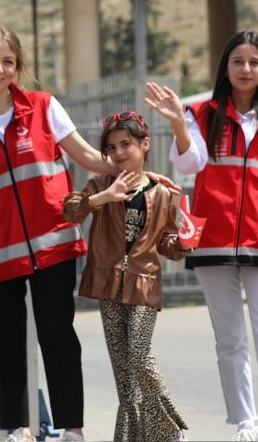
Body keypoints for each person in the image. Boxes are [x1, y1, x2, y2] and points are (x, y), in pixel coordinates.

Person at [0, 25, 116, 442]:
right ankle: (17, 428)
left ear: (18, 67)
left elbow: (87, 155)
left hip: (53, 245)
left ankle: (72, 428)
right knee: (7, 343)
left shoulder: (44, 107)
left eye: (8, 62)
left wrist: (124, 170)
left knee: (58, 337)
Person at [145, 29, 258, 442]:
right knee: (230, 339)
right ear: (226, 67)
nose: (246, 69)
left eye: (254, 62)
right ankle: (245, 423)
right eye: (238, 61)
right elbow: (187, 164)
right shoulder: (201, 113)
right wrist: (180, 125)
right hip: (212, 240)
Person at [63, 110, 190, 442]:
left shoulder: (162, 193)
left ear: (144, 144)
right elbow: (71, 210)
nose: (119, 153)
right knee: (123, 374)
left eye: (126, 145)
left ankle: (169, 431)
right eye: (112, 148)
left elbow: (168, 245)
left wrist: (185, 243)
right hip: (108, 284)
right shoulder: (100, 184)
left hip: (144, 283)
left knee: (138, 354)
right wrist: (104, 197)